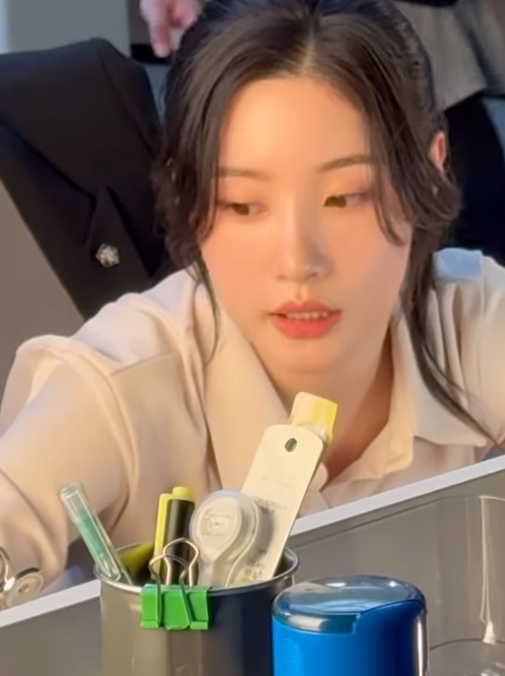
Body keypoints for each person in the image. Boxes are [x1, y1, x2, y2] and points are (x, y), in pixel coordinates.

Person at [1, 0, 505, 590]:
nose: (298, 261)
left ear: (431, 170)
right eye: (243, 205)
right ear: (186, 194)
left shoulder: (472, 320)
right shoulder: (116, 383)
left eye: (344, 197)